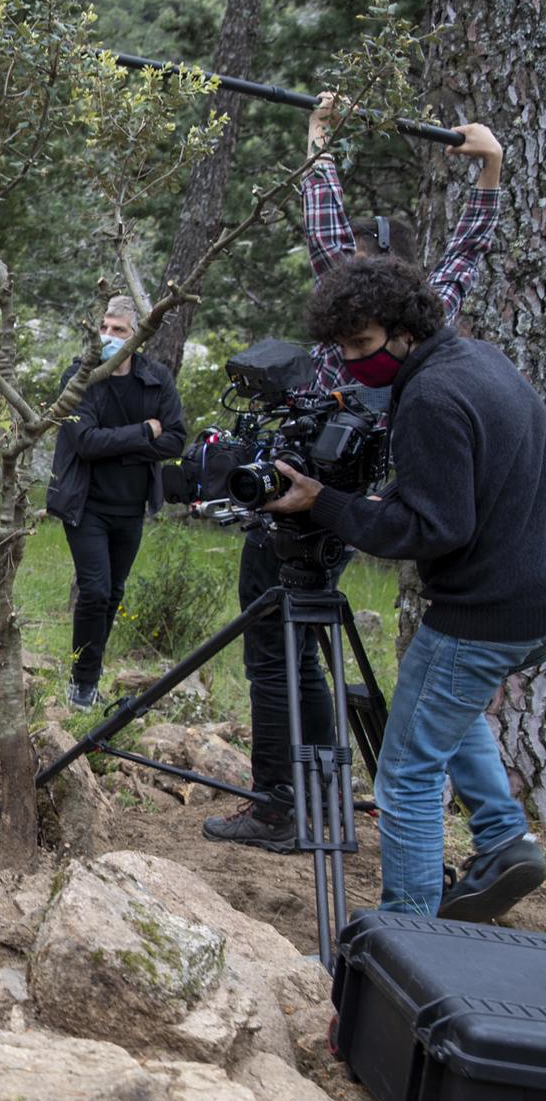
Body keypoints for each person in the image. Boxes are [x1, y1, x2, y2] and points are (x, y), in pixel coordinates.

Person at [205, 102, 505, 852]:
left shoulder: (386, 337)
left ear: (396, 324)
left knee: (274, 649)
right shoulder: (411, 327)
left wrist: (320, 146)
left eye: (363, 336)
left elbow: (329, 233)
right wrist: (491, 172)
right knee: (295, 646)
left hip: (318, 505)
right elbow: (460, 254)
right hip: (348, 506)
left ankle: (283, 804)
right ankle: (317, 794)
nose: (354, 345)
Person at [265, 257, 546, 923]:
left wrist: (325, 504)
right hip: (528, 596)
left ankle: (408, 929)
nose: (354, 362)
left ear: (406, 331)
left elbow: (433, 527)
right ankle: (505, 838)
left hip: (482, 611)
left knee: (408, 771)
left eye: (362, 346)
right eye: (343, 347)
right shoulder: (483, 361)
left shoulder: (428, 398)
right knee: (448, 710)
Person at [45, 295, 186, 711]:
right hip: (85, 505)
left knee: (113, 594)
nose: (108, 337)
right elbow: (85, 442)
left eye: (119, 330)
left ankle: (88, 675)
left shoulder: (156, 379)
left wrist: (123, 444)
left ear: (138, 335)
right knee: (94, 590)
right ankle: (82, 686)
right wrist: (145, 432)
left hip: (132, 508)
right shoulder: (81, 375)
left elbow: (176, 437)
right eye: (104, 327)